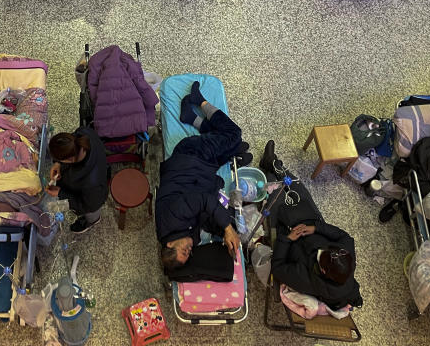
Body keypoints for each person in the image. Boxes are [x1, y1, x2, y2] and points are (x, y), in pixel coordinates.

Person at [155, 82, 251, 275]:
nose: (190, 250)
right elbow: (203, 217)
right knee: (238, 147)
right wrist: (222, 230)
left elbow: (204, 201)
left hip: (191, 155)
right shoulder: (179, 232)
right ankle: (191, 117)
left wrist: (227, 229)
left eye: (184, 250)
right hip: (201, 170)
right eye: (189, 253)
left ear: (170, 243)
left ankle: (201, 101)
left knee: (234, 135)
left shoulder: (172, 217)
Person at [267, 185, 363, 311]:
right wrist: (316, 228)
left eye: (321, 254)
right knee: (297, 190)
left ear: (322, 270)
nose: (321, 250)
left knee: (273, 199)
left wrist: (287, 239)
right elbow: (345, 237)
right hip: (311, 227)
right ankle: (280, 172)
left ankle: (275, 174)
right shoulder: (345, 256)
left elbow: (277, 268)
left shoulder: (305, 280)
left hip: (291, 237)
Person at [47, 128, 107, 234]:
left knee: (91, 214)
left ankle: (93, 221)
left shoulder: (92, 183)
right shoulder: (83, 134)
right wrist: (58, 164)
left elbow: (88, 206)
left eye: (60, 160)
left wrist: (60, 193)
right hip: (86, 189)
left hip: (92, 202)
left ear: (69, 159)